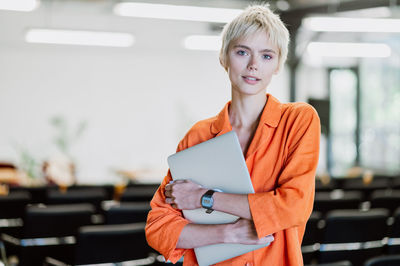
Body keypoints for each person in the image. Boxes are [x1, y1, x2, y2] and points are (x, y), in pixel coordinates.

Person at [145, 4, 320, 266]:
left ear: (278, 64)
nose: (253, 65)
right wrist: (227, 233)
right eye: (242, 52)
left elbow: (293, 206)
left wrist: (204, 198)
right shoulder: (198, 136)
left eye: (266, 56)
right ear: (224, 57)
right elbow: (158, 227)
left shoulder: (298, 120)